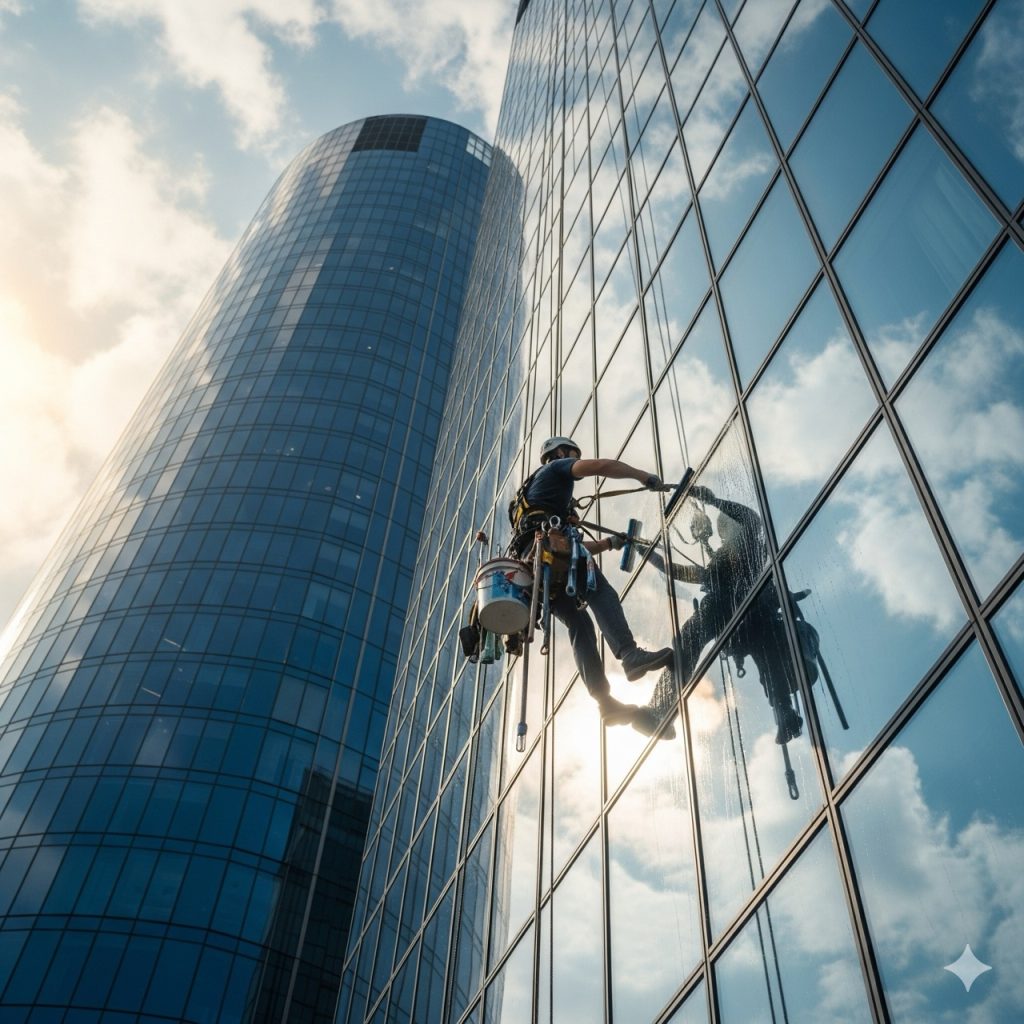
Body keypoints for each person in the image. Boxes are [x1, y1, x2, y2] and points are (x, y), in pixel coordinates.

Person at [511, 436, 674, 730]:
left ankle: (606, 704)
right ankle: (629, 654)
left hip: (539, 570)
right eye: (571, 454)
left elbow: (567, 546)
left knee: (579, 624)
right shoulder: (556, 469)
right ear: (560, 454)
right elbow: (602, 466)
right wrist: (643, 476)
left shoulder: (530, 500)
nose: (573, 459)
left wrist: (610, 543)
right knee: (599, 591)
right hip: (551, 556)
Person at [643, 484, 803, 744]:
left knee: (768, 660)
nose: (724, 532)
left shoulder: (751, 541)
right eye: (724, 529)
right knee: (690, 645)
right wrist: (648, 554)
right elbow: (682, 572)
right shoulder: (722, 556)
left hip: (747, 610)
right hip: (731, 612)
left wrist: (716, 501)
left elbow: (751, 518)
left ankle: (785, 712)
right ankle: (661, 707)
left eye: (726, 527)